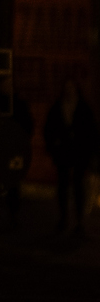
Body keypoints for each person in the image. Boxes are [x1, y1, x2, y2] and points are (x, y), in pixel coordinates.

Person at [44, 79, 98, 240]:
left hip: (79, 152)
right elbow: (49, 128)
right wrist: (53, 145)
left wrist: (89, 150)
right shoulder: (58, 107)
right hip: (63, 151)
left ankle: (79, 220)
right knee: (62, 186)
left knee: (78, 186)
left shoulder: (83, 108)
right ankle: (64, 218)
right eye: (66, 87)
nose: (69, 90)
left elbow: (91, 131)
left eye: (71, 87)